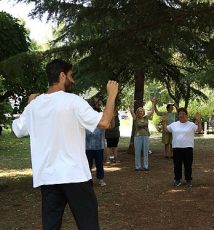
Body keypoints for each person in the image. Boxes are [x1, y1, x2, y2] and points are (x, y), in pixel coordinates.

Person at [12, 59, 118, 229]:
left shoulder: (34, 106)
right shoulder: (73, 101)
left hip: (48, 177)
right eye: (71, 76)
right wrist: (112, 95)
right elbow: (105, 122)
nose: (73, 80)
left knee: (51, 226)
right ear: (62, 76)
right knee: (88, 224)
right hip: (74, 174)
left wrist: (31, 103)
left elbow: (17, 130)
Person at [162, 108, 202, 187]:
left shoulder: (191, 124)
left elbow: (199, 130)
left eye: (183, 113)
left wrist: (199, 121)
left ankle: (188, 180)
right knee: (177, 165)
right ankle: (177, 180)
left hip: (188, 147)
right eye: (180, 113)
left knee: (188, 165)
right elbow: (166, 130)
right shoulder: (174, 124)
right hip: (176, 147)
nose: (181, 115)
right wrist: (164, 121)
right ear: (178, 115)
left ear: (186, 115)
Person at [130, 98, 156, 171]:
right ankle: (137, 167)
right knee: (137, 152)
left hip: (146, 136)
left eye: (142, 111)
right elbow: (131, 111)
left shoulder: (146, 118)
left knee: (145, 151)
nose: (141, 112)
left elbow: (152, 111)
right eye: (139, 111)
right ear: (137, 112)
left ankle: (146, 166)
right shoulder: (135, 118)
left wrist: (153, 103)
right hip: (137, 136)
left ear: (143, 112)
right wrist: (131, 104)